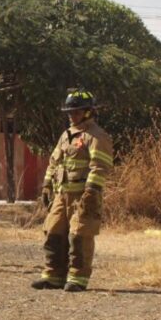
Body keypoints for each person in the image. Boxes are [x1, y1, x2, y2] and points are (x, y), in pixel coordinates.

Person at [33, 91, 113, 293]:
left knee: (79, 236)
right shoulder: (66, 135)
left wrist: (92, 192)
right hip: (62, 194)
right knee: (53, 232)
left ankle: (77, 278)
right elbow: (54, 162)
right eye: (69, 112)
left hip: (83, 196)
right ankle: (53, 276)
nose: (71, 116)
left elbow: (100, 166)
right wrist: (46, 185)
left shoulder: (96, 136)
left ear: (88, 112)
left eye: (76, 112)